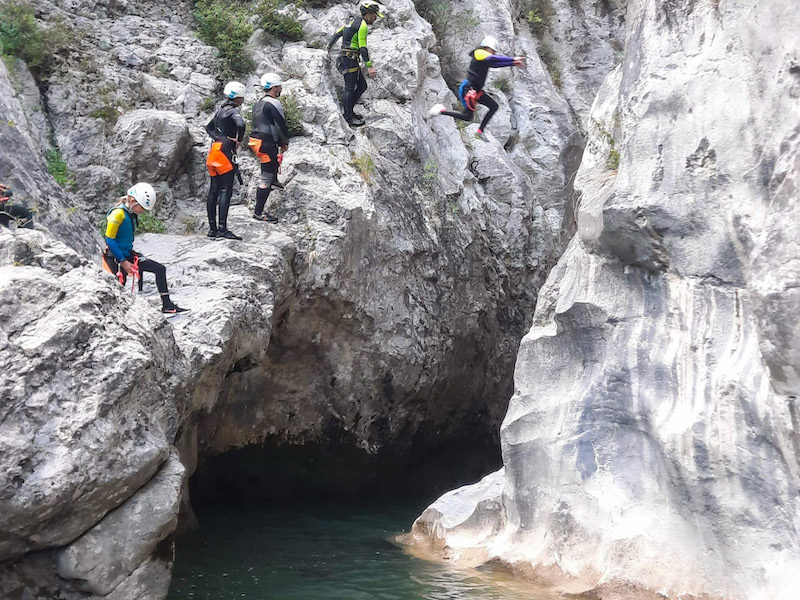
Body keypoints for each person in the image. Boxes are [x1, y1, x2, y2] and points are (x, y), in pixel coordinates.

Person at [103, 183, 189, 315]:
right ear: (132, 201)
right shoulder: (117, 214)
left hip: (127, 255)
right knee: (118, 288)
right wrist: (123, 261)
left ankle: (167, 305)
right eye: (142, 208)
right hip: (115, 258)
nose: (142, 211)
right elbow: (109, 240)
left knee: (159, 269)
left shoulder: (130, 214)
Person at [426, 36, 525, 139]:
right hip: (469, 89)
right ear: (487, 47)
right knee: (467, 115)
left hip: (476, 91)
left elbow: (496, 63)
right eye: (493, 51)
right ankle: (440, 110)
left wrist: (512, 63)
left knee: (491, 107)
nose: (494, 53)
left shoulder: (485, 58)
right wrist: (512, 59)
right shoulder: (479, 52)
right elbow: (493, 59)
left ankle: (480, 131)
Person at [327, 2, 385, 127]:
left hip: (346, 58)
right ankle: (348, 117)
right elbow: (363, 48)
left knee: (362, 85)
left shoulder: (351, 22)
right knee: (349, 87)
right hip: (350, 59)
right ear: (369, 14)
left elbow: (337, 33)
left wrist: (328, 48)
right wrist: (369, 66)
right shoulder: (362, 26)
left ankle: (349, 111)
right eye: (375, 15)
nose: (375, 19)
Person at [205, 81, 247, 240]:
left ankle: (212, 229)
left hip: (214, 151)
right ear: (237, 98)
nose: (242, 101)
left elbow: (208, 128)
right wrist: (238, 140)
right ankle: (223, 229)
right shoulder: (232, 111)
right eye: (241, 98)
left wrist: (218, 137)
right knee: (225, 190)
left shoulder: (220, 110)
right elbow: (241, 125)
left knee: (213, 190)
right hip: (224, 153)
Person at [248, 73, 290, 223]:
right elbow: (280, 124)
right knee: (266, 177)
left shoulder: (258, 103)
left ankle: (274, 180)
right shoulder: (274, 103)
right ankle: (258, 212)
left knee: (269, 167)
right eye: (279, 86)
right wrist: (284, 141)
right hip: (267, 142)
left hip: (256, 140)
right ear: (274, 88)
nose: (281, 88)